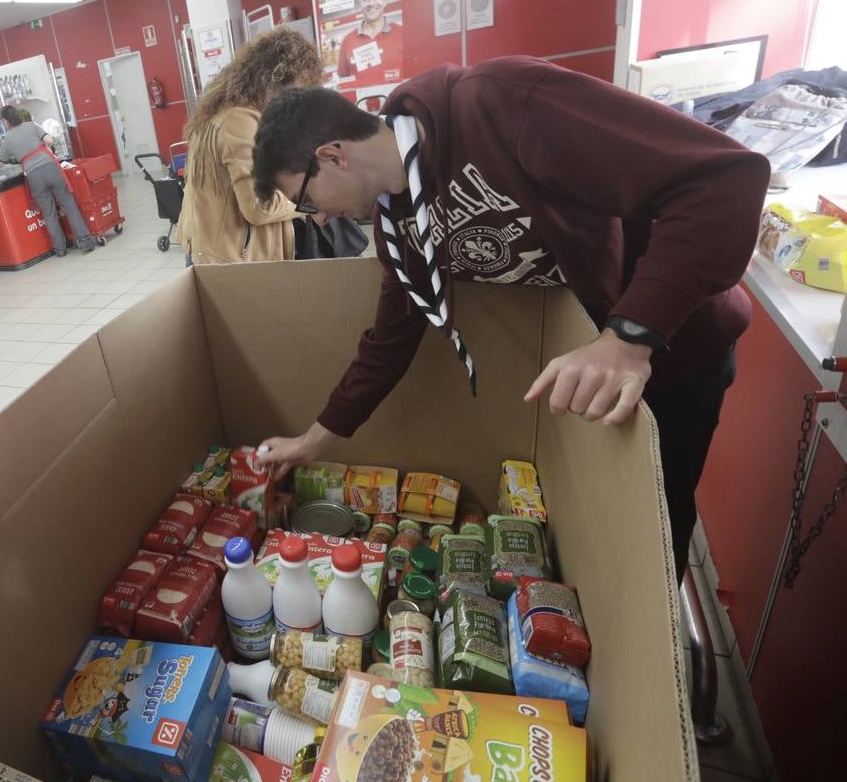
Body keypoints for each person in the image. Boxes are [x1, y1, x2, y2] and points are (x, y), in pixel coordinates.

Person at [250, 58, 769, 575]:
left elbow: (725, 179)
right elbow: (390, 339)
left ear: (332, 156)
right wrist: (312, 439)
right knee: (611, 539)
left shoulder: (502, 103)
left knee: (658, 528)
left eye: (304, 198)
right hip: (595, 373)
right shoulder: (394, 220)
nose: (315, 216)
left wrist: (627, 338)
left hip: (674, 339)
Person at [180, 28, 322, 265]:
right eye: (295, 91)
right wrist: (310, 204)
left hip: (213, 250)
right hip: (232, 261)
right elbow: (259, 205)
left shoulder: (222, 109)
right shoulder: (240, 120)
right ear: (273, 80)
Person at [0, 104, 96, 257]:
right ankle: (85, 241)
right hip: (51, 167)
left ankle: (60, 249)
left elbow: (0, 161)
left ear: (5, 121)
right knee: (69, 206)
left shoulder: (8, 139)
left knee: (49, 213)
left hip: (33, 174)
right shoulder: (31, 125)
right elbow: (49, 141)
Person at [335, 0, 403, 89]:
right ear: (360, 3)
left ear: (385, 0)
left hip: (396, 105)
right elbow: (342, 83)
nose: (371, 3)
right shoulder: (348, 41)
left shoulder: (402, 34)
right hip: (360, 105)